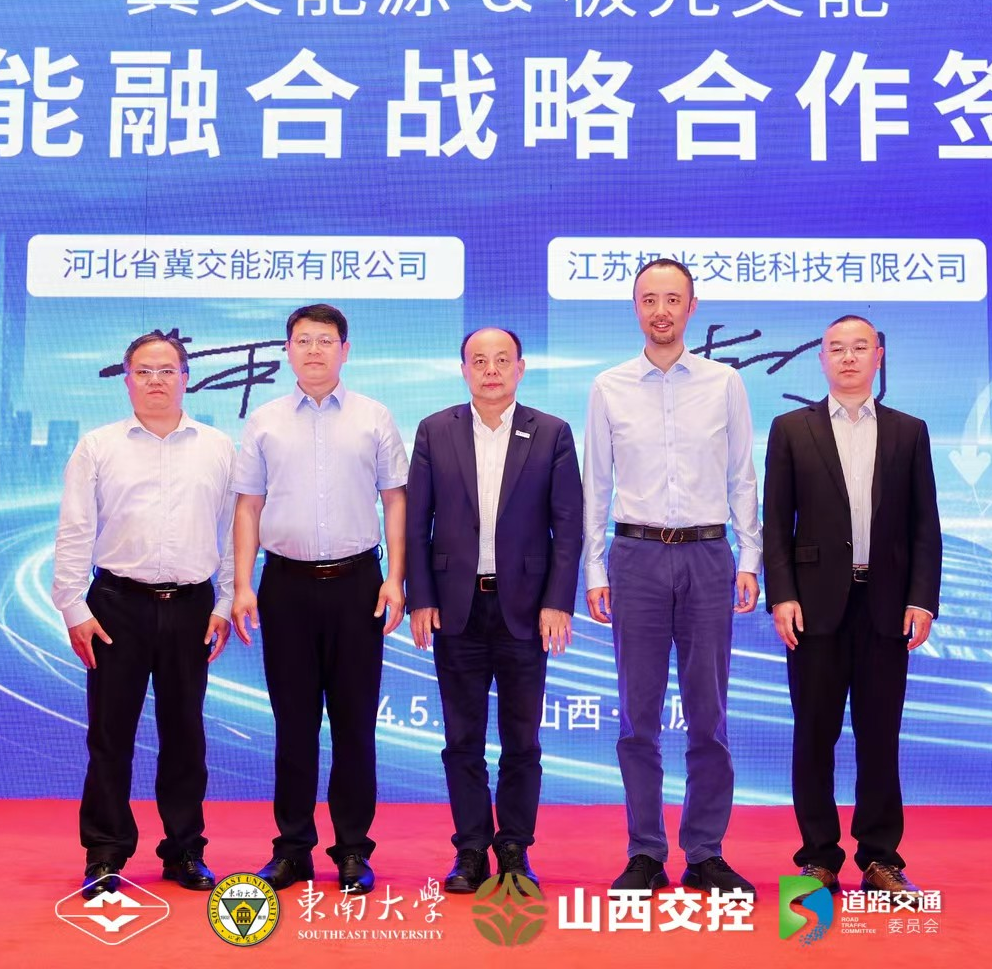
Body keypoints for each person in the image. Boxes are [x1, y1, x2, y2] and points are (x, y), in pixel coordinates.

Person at [582, 258, 762, 894]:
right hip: (635, 558)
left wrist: (749, 557)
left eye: (673, 299)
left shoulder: (724, 383)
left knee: (708, 715)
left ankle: (706, 850)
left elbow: (742, 475)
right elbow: (596, 484)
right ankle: (645, 852)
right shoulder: (608, 386)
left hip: (709, 556)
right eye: (649, 299)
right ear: (636, 308)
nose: (661, 310)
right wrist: (594, 566)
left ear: (691, 307)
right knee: (638, 717)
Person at [229, 304, 408, 894]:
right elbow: (248, 505)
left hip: (359, 585)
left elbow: (396, 500)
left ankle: (353, 850)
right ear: (287, 350)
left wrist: (396, 578)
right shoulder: (264, 421)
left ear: (345, 350)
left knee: (355, 725)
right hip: (285, 587)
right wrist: (242, 584)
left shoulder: (374, 417)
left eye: (325, 340)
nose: (313, 350)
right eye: (302, 340)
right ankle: (292, 849)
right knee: (294, 725)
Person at [762, 313, 941, 897]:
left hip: (885, 605)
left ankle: (880, 858)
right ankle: (818, 857)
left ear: (878, 356)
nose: (847, 357)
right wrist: (782, 594)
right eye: (836, 348)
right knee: (814, 735)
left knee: (879, 735)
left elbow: (925, 525)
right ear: (821, 359)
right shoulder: (791, 429)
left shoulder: (909, 431)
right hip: (813, 608)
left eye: (859, 347)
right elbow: (776, 523)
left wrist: (922, 599)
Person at [52, 331, 234, 897]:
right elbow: (75, 528)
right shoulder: (98, 446)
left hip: (192, 606)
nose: (156, 380)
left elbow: (233, 531)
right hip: (116, 607)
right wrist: (73, 607)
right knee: (111, 736)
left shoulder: (217, 447)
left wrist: (225, 601)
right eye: (144, 371)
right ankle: (105, 854)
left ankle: (185, 850)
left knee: (186, 736)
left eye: (167, 370)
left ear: (186, 379)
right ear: (126, 380)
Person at [406, 328, 584, 893]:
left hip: (525, 610)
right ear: (463, 369)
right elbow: (416, 523)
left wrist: (557, 601)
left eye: (501, 360)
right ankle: (469, 850)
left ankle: (513, 848)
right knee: (462, 738)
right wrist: (421, 597)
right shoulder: (435, 430)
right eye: (478, 360)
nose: (490, 370)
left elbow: (568, 527)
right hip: (455, 608)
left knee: (521, 739)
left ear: (520, 368)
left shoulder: (551, 432)